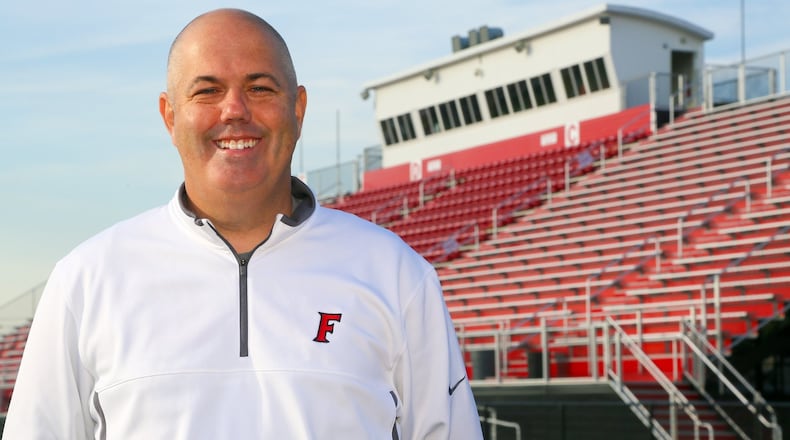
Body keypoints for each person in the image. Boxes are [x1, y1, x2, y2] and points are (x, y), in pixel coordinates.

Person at [2, 8, 483, 440]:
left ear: (298, 109)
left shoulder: (396, 274)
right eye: (207, 90)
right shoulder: (85, 282)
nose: (234, 110)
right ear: (171, 116)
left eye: (260, 88)